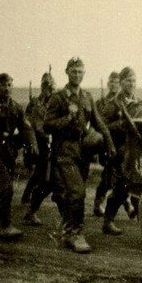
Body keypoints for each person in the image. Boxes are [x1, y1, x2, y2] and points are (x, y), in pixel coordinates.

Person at [44, 57, 115, 253]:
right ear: (67, 72)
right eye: (74, 71)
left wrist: (109, 142)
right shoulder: (58, 98)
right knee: (77, 192)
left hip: (83, 152)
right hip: (65, 152)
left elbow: (98, 122)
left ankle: (68, 230)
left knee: (74, 192)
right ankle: (75, 234)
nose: (77, 75)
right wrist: (67, 118)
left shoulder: (87, 97)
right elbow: (47, 125)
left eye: (80, 72)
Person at [0, 73, 38, 239]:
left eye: (10, 84)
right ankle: (4, 224)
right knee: (6, 187)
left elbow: (27, 128)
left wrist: (32, 144)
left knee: (3, 188)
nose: (7, 88)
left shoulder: (16, 108)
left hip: (8, 154)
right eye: (3, 85)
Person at [101, 66, 142, 235]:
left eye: (134, 81)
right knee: (123, 187)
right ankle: (108, 221)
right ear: (121, 83)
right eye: (128, 81)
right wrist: (121, 125)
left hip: (137, 151)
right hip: (119, 151)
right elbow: (103, 127)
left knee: (139, 184)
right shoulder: (113, 104)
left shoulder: (138, 102)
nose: (132, 84)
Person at [21, 72, 57, 225]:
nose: (48, 89)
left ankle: (30, 204)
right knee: (43, 177)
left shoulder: (56, 102)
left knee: (46, 177)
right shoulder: (35, 103)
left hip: (54, 143)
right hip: (40, 143)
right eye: (45, 85)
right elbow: (29, 123)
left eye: (50, 86)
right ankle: (30, 206)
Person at [93, 72, 122, 215]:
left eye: (116, 82)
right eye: (111, 82)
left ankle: (100, 204)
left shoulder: (121, 101)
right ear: (107, 84)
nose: (113, 85)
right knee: (109, 175)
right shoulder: (100, 103)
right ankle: (98, 204)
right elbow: (98, 123)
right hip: (106, 143)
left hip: (119, 141)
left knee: (114, 175)